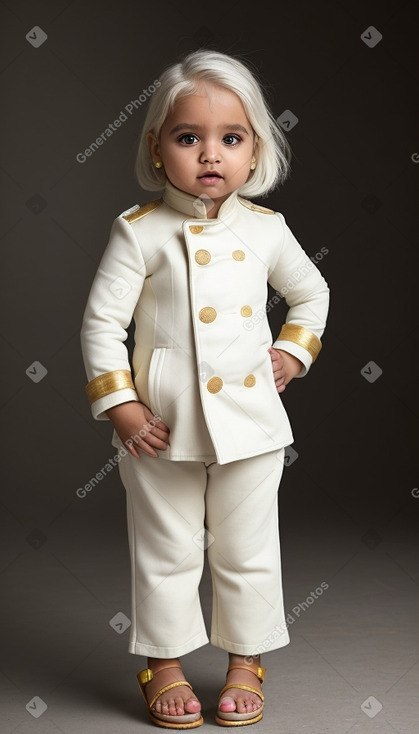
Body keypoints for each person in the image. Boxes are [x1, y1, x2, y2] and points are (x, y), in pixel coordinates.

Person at [80, 48, 330, 729]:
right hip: (160, 426)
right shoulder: (138, 232)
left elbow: (310, 294)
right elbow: (101, 323)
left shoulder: (267, 230)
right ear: (157, 149)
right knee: (166, 549)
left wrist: (291, 353)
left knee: (247, 548)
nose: (209, 154)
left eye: (231, 138)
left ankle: (246, 658)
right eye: (188, 137)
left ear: (254, 153)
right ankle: (162, 661)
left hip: (249, 424)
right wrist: (123, 405)